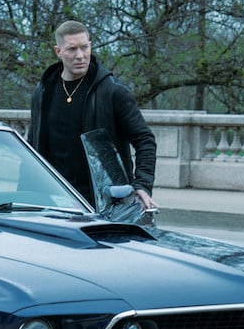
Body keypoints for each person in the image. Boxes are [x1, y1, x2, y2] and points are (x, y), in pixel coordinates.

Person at [27, 20, 158, 210]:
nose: (80, 56)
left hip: (104, 203)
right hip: (53, 201)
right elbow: (32, 147)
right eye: (72, 49)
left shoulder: (113, 91)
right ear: (58, 52)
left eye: (84, 47)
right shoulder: (43, 92)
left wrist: (142, 186)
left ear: (90, 46)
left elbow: (145, 140)